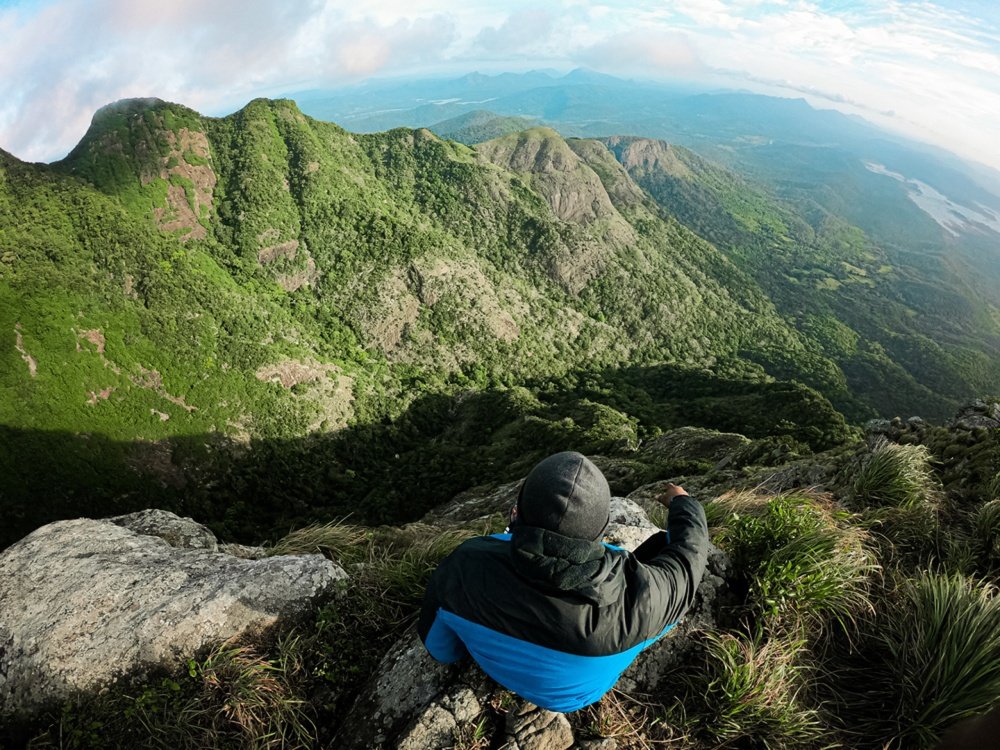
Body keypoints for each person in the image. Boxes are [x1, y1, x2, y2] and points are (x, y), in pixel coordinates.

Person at [417, 450, 710, 713]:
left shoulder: (463, 566)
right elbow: (689, 556)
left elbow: (441, 650)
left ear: (517, 514)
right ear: (601, 531)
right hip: (577, 698)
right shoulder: (642, 604)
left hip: (498, 672)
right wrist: (682, 502)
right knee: (659, 552)